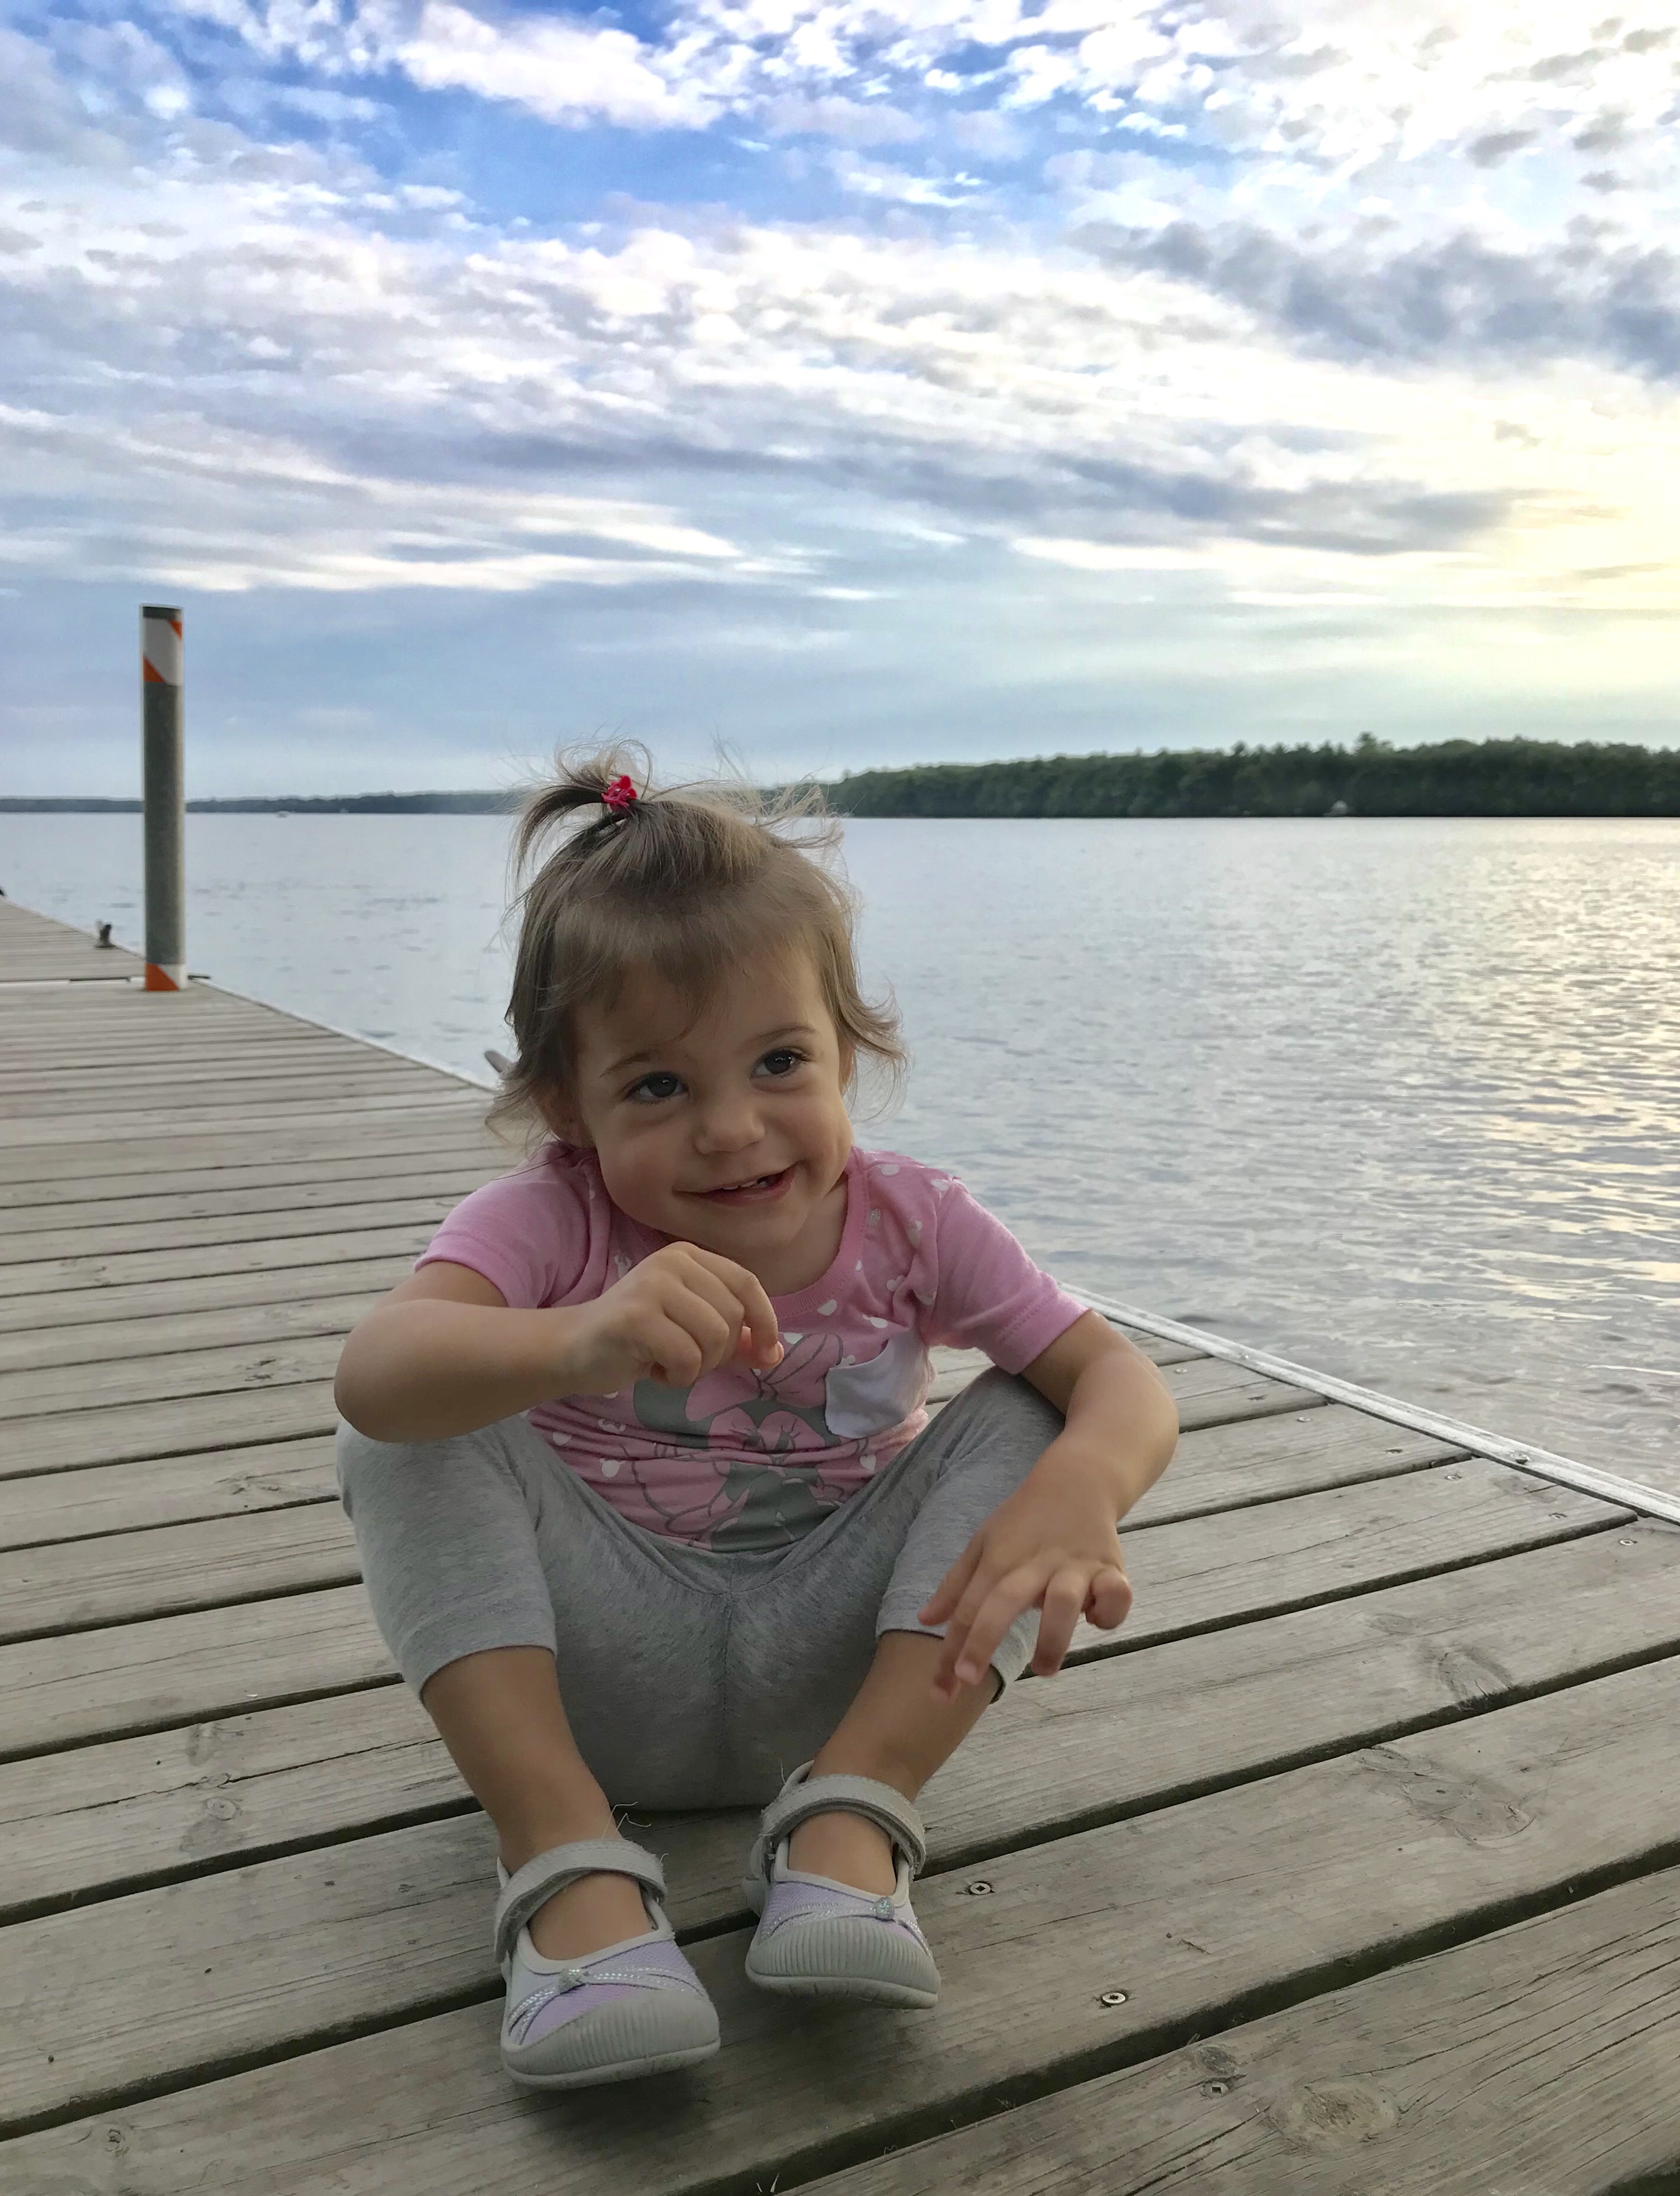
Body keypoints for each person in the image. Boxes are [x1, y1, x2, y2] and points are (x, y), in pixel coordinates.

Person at [334, 752, 1179, 2091]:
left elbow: (1122, 1379)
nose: (732, 1130)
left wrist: (1085, 1486)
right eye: (657, 1087)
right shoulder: (550, 1219)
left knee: (1039, 1402)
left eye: (779, 1061)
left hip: (837, 1676)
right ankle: (562, 1861)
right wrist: (574, 1339)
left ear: (847, 1048)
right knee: (412, 1414)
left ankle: (852, 1822)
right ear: (567, 1106)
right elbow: (373, 1371)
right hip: (592, 1682)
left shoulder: (916, 1221)